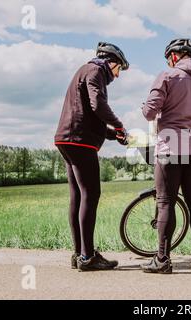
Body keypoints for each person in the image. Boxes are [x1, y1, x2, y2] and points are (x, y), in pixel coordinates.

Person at [141, 38, 191, 274]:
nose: (169, 62)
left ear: (175, 56)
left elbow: (149, 113)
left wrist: (150, 107)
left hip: (169, 149)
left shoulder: (167, 76)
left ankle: (163, 259)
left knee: (165, 201)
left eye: (169, 59)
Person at [54, 42, 129, 272]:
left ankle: (79, 254)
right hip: (80, 141)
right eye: (119, 69)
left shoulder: (84, 70)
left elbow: (87, 113)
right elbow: (98, 105)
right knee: (91, 194)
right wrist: (119, 126)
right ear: (111, 61)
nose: (117, 76)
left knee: (77, 196)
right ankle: (88, 256)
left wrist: (112, 135)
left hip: (67, 138)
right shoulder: (96, 70)